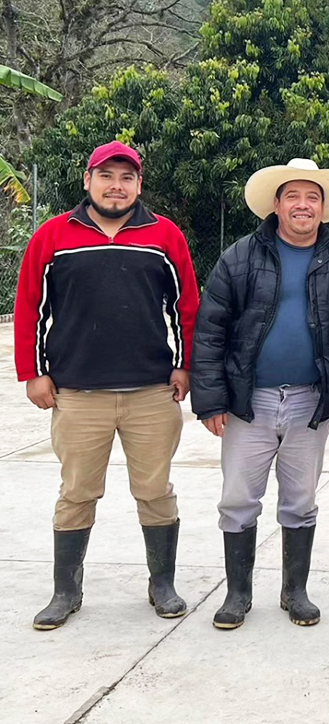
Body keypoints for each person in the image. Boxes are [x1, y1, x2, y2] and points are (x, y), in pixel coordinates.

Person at [14, 141, 199, 629]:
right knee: (76, 492)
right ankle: (65, 591)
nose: (116, 187)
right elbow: (30, 307)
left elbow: (186, 308)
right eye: (107, 176)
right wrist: (33, 372)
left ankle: (162, 584)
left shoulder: (165, 236)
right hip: (76, 394)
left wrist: (185, 366)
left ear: (139, 184)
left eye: (127, 178)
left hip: (151, 392)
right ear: (87, 180)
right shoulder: (53, 236)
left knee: (155, 490)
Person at [191, 158, 329, 629]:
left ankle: (295, 592)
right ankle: (238, 595)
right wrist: (210, 400)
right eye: (293, 196)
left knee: (300, 500)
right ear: (276, 204)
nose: (302, 205)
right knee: (238, 499)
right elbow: (210, 330)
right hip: (247, 401)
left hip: (309, 402)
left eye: (312, 197)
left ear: (323, 207)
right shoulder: (240, 257)